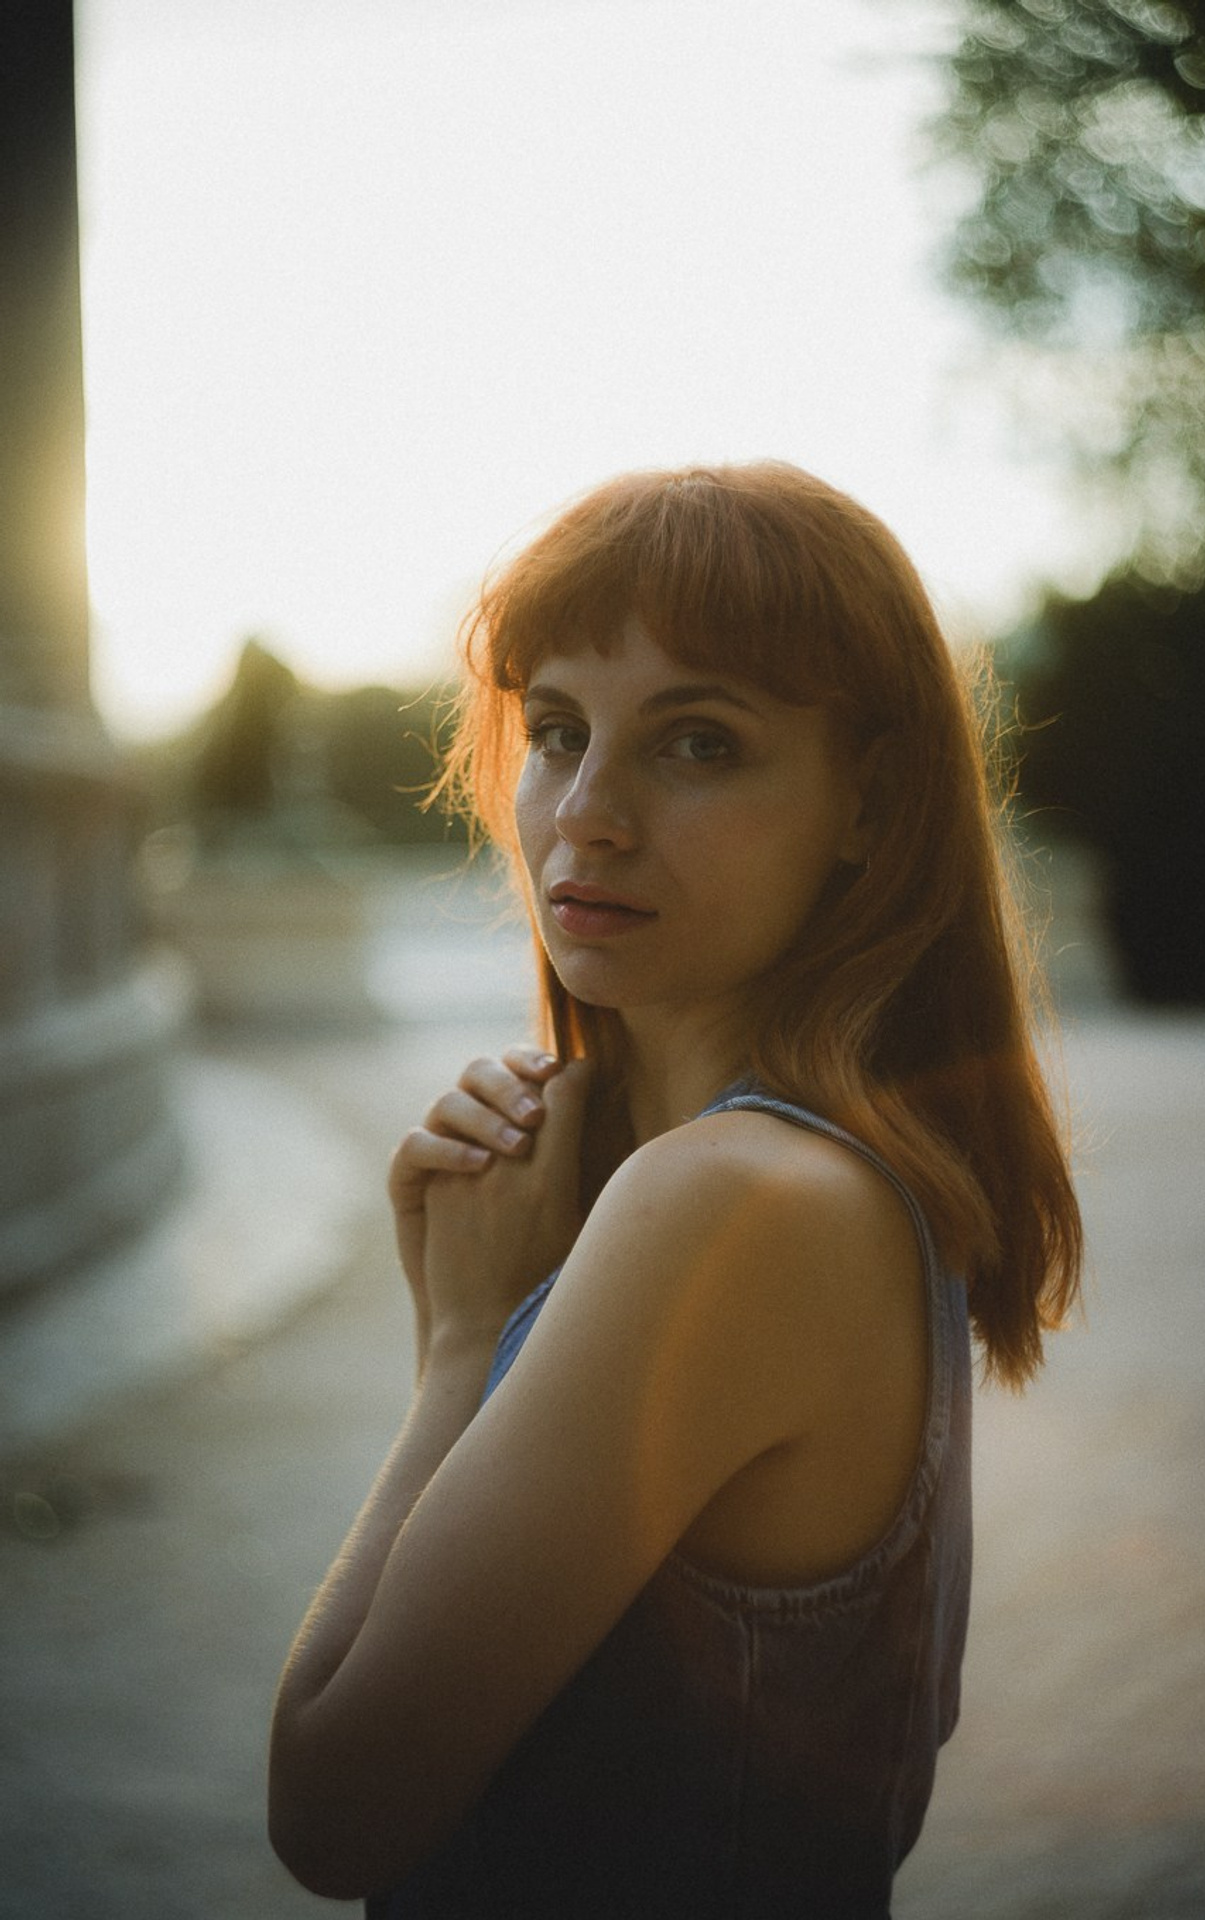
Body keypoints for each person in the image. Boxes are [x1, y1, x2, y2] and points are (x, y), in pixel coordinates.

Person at [269, 462, 1083, 1917]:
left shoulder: (732, 1205)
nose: (589, 813)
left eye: (698, 744)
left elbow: (335, 1805)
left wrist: (466, 1345)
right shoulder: (788, 1178)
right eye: (561, 731)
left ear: (871, 800)